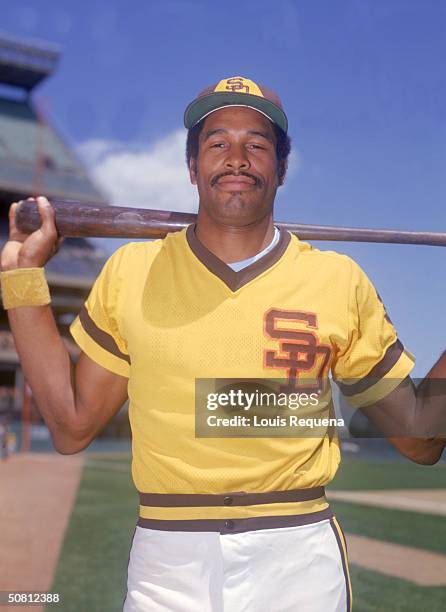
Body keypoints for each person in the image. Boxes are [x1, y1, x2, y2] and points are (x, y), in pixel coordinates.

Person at [1, 76, 444, 612]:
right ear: (193, 168)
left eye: (257, 144)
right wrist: (23, 281)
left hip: (298, 558)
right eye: (217, 143)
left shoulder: (338, 281)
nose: (236, 157)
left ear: (281, 168)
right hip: (166, 564)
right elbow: (71, 428)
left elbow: (421, 438)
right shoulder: (130, 272)